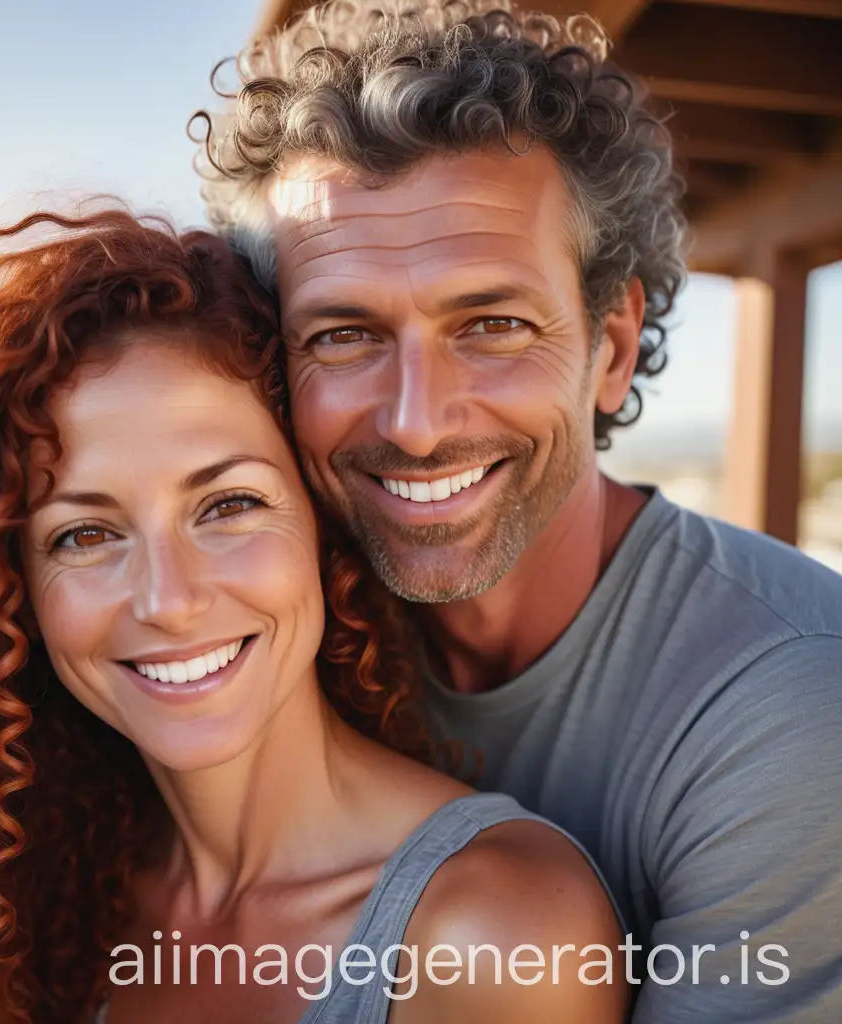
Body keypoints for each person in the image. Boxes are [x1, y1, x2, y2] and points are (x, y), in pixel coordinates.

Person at [195, 1, 842, 1020]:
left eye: (491, 323)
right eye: (343, 335)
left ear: (612, 345)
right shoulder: (238, 627)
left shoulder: (792, 714)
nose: (414, 424)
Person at [0, 209, 627, 1023]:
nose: (169, 599)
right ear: (6, 584)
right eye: (86, 533)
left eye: (229, 504)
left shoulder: (492, 936)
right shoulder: (28, 898)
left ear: (322, 524)